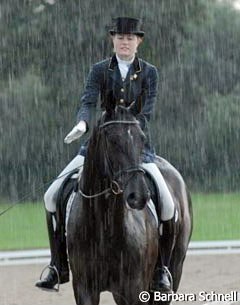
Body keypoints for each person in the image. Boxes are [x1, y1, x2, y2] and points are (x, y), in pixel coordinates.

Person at [35, 17, 176, 292]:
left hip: (136, 150)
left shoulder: (150, 73)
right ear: (113, 40)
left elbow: (145, 114)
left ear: (138, 41)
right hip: (99, 148)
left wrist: (128, 136)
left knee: (168, 204)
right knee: (51, 195)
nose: (125, 42)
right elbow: (88, 102)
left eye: (130, 38)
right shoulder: (99, 70)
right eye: (120, 38)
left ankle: (162, 269)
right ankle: (58, 265)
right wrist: (83, 124)